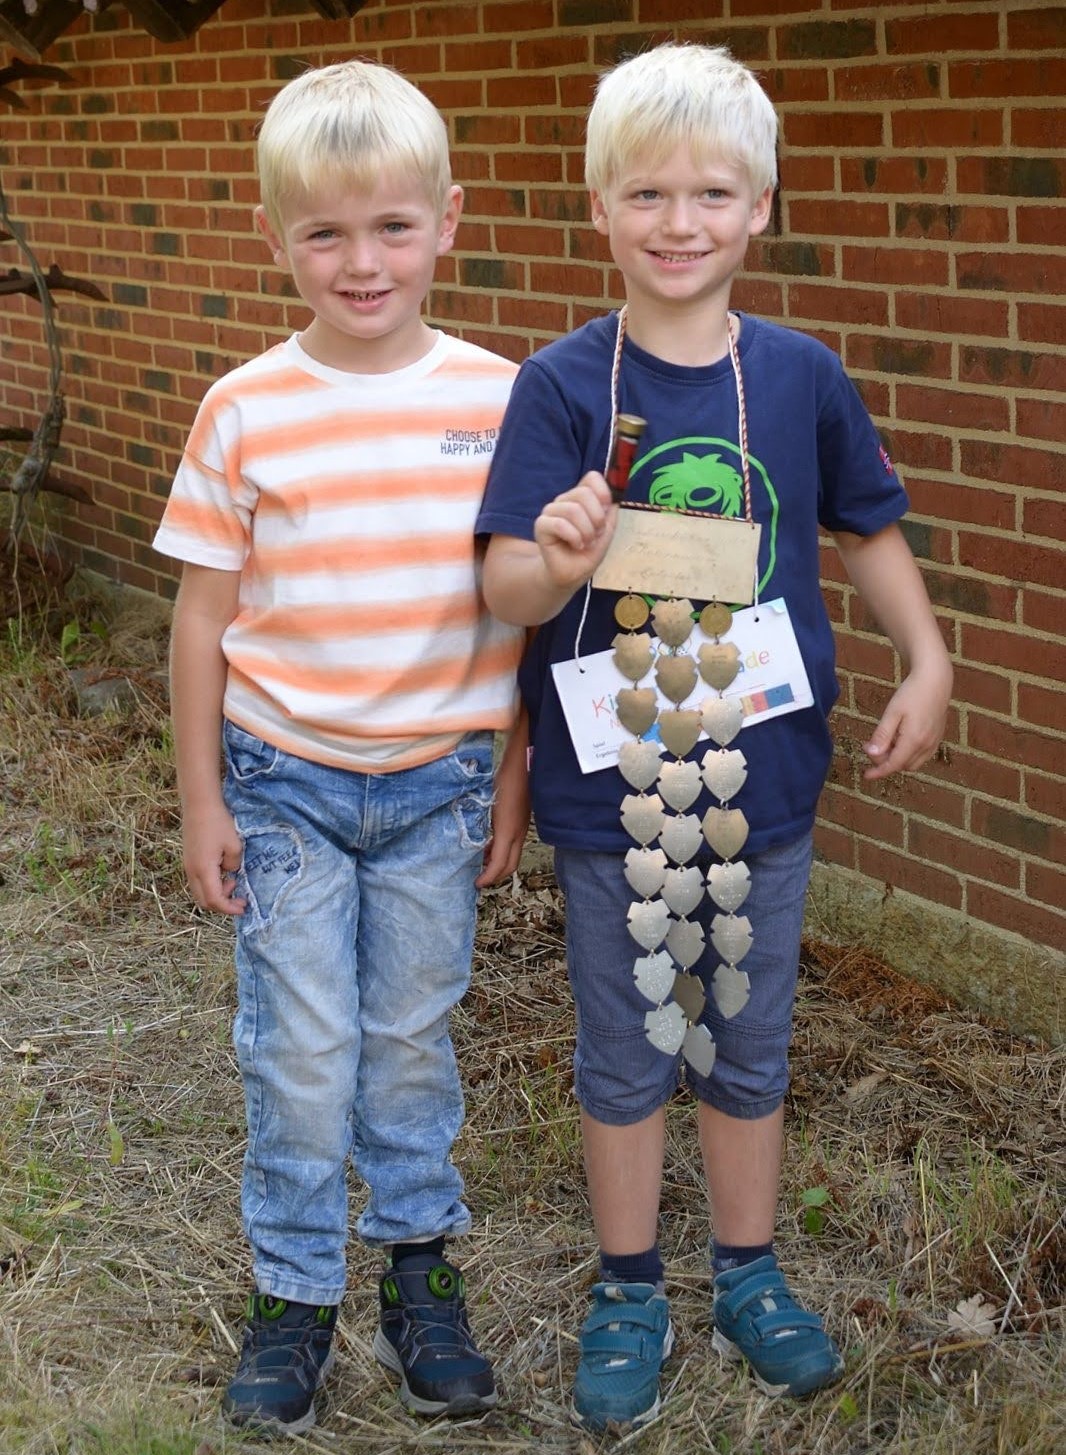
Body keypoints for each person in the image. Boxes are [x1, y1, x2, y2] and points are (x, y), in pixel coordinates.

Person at [477, 42, 953, 1434]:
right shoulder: (561, 386)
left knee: (744, 1037)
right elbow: (503, 589)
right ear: (597, 207)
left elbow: (864, 524)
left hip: (764, 773)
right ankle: (630, 1285)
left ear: (761, 207)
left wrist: (926, 655)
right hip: (606, 779)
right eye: (645, 194)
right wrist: (555, 556)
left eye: (710, 193)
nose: (677, 222)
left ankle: (744, 1271)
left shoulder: (798, 376)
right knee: (626, 1047)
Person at [152, 59, 529, 1437]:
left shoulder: (506, 399)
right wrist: (201, 797)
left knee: (408, 1040)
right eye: (322, 232)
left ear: (447, 220)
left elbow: (523, 609)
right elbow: (201, 620)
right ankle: (294, 1292)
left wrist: (513, 769)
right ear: (275, 240)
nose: (358, 260)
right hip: (285, 781)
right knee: (301, 1049)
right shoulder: (245, 407)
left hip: (437, 785)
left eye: (388, 225)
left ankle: (419, 1274)